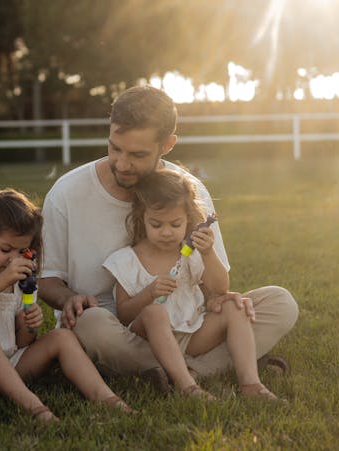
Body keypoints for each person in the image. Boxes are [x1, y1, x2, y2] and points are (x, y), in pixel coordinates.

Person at [38, 85, 298, 388]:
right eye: (114, 148)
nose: (121, 164)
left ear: (168, 144)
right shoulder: (66, 193)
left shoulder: (190, 192)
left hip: (187, 325)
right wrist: (70, 299)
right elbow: (47, 280)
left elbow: (212, 284)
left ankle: (167, 374)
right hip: (114, 329)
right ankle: (213, 366)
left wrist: (224, 302)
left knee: (281, 303)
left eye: (137, 154)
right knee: (90, 323)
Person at [0, 189, 133, 422]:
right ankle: (34, 407)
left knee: (61, 338)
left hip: (7, 363)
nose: (14, 259)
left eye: (22, 251)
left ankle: (106, 397)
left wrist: (28, 325)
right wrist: (3, 280)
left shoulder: (20, 282)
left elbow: (22, 343)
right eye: (5, 250)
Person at [104, 169, 282, 401]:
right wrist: (148, 294)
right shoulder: (126, 260)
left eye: (175, 224)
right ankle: (188, 387)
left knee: (233, 306)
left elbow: (219, 289)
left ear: (188, 220)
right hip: (148, 341)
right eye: (156, 225)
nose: (167, 232)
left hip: (193, 335)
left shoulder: (191, 254)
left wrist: (208, 252)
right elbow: (124, 314)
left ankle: (250, 384)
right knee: (155, 312)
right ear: (141, 219)